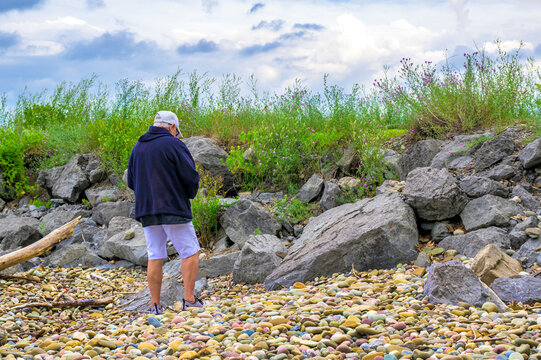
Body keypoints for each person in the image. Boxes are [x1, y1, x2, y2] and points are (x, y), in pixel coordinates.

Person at [127, 110, 203, 315]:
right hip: (173, 207)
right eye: (177, 131)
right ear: (171, 127)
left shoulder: (138, 147)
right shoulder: (174, 144)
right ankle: (189, 299)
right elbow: (190, 176)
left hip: (146, 210)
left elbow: (131, 181)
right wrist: (188, 194)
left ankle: (155, 305)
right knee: (190, 251)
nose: (177, 135)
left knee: (155, 255)